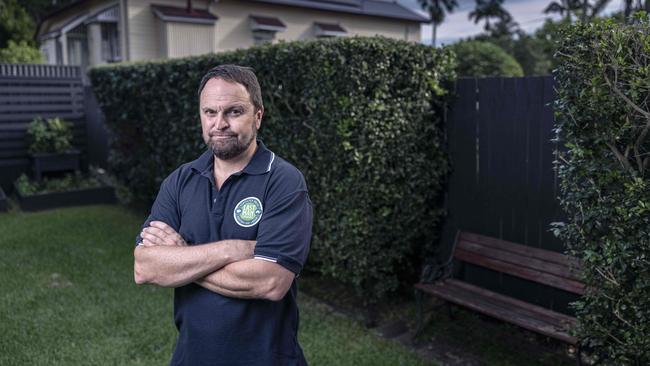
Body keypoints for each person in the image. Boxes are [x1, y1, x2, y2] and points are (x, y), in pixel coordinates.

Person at [133, 64, 313, 366]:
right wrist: (233, 249)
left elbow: (270, 282)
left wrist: (182, 258)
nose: (220, 123)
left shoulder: (283, 181)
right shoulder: (181, 180)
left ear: (258, 116)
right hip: (191, 357)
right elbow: (145, 267)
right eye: (210, 112)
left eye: (234, 111)